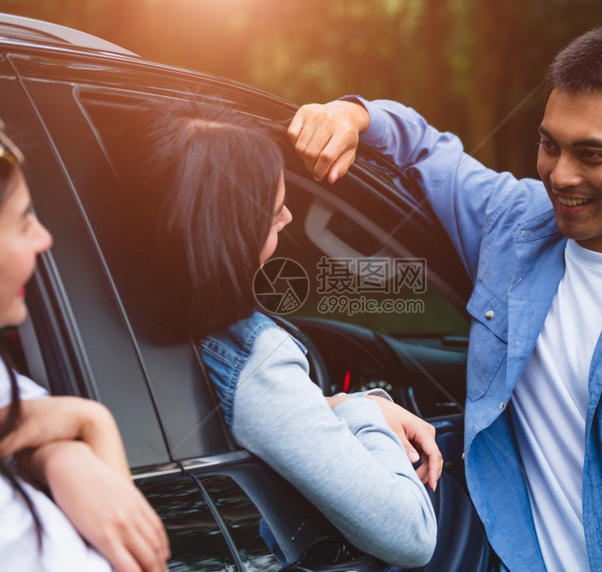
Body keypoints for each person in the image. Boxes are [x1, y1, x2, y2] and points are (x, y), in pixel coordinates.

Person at [287, 25, 602, 571]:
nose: (559, 175)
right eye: (549, 144)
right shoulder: (510, 225)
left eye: (592, 154)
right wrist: (352, 114)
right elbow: (424, 148)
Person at [132, 102, 440, 569]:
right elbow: (412, 534)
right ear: (234, 232)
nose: (289, 218)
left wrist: (331, 407)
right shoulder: (254, 357)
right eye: (274, 214)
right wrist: (365, 407)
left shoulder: (138, 313)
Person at [0, 90, 169, 571]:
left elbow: (18, 416)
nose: (45, 238)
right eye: (22, 220)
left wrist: (57, 457)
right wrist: (95, 426)